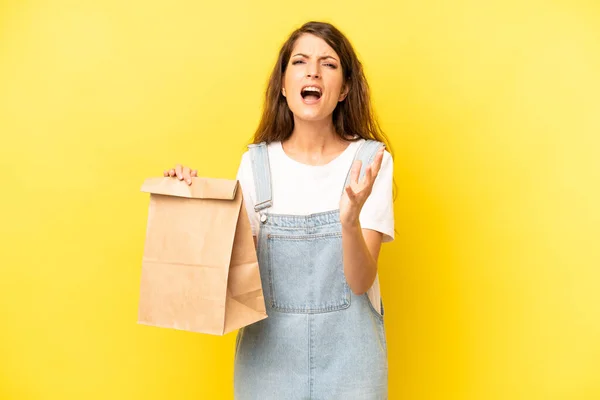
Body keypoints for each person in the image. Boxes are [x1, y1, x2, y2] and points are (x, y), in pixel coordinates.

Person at [164, 21, 394, 400]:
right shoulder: (256, 165)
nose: (313, 71)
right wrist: (190, 200)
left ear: (345, 89)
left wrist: (349, 220)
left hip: (352, 366)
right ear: (284, 86)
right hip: (267, 364)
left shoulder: (370, 162)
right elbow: (234, 275)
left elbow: (359, 281)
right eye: (300, 62)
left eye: (329, 64)